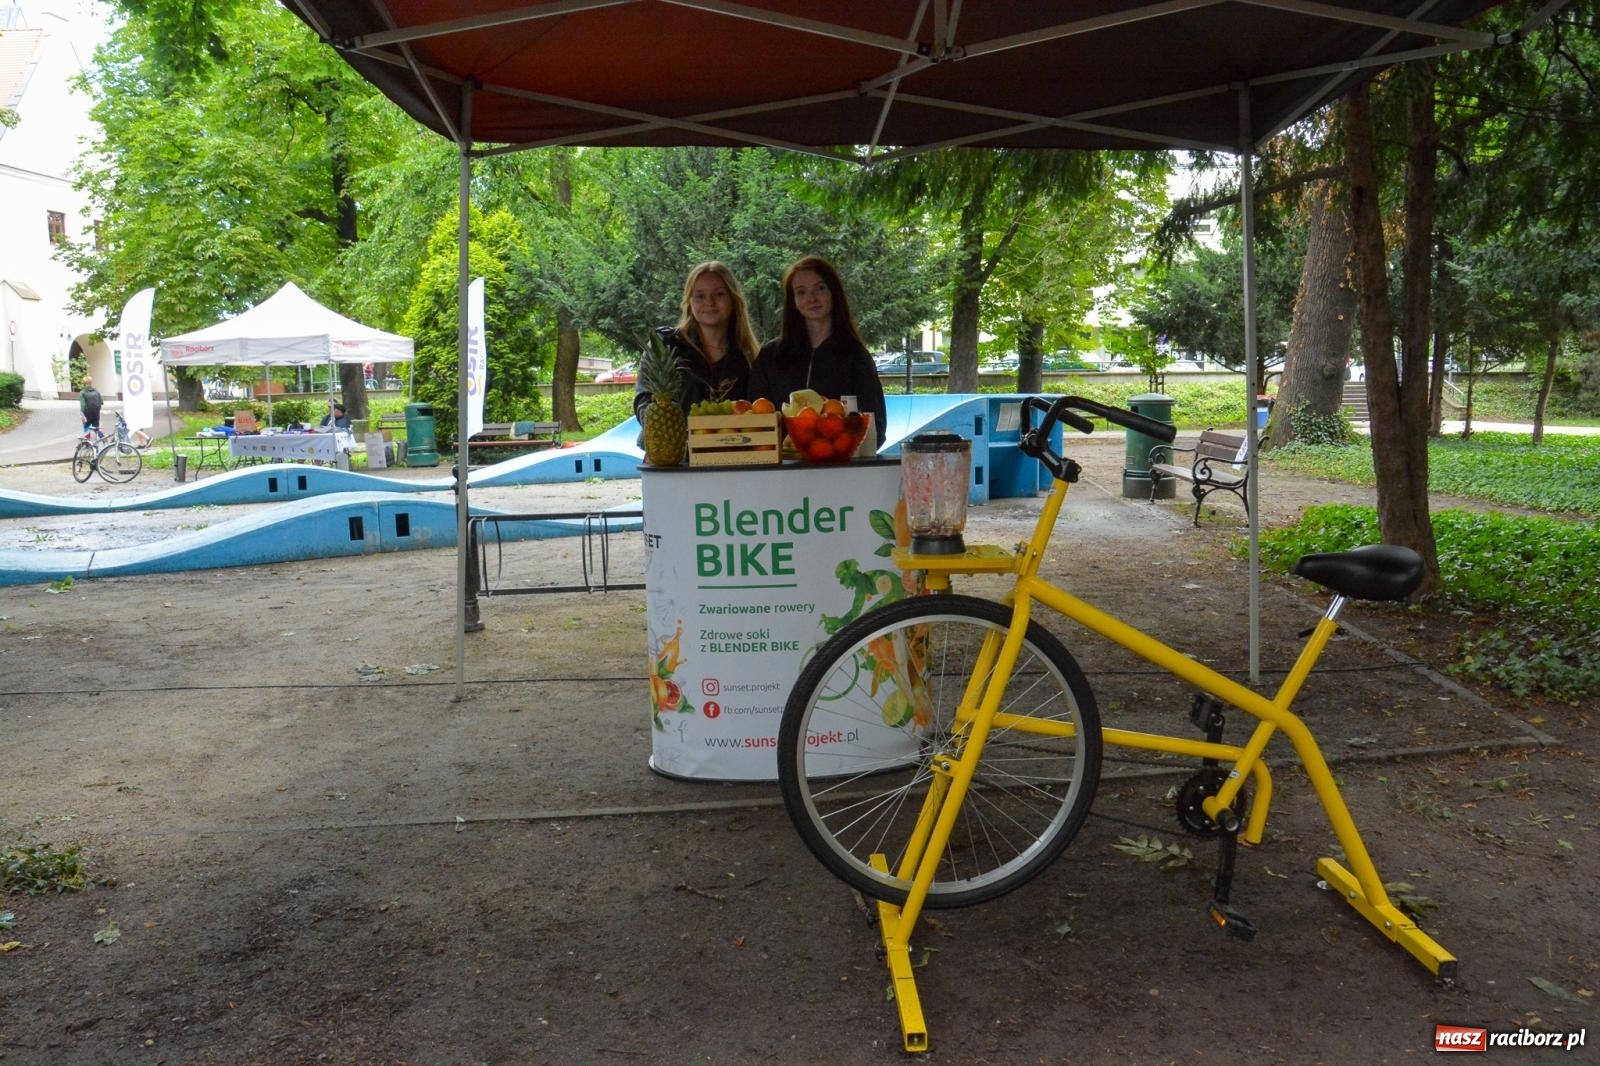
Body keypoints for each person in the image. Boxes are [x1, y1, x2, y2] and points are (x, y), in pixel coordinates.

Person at [748, 256, 887, 447]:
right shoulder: (770, 356)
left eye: (820, 288)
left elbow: (875, 428)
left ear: (833, 293)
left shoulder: (856, 356)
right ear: (793, 301)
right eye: (801, 292)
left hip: (838, 463)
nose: (811, 298)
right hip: (781, 464)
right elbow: (755, 422)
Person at [633, 261, 759, 420]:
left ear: (733, 299)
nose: (709, 302)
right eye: (700, 296)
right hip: (671, 436)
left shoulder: (748, 358)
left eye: (719, 294)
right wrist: (660, 424)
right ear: (689, 302)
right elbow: (643, 399)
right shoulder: (665, 344)